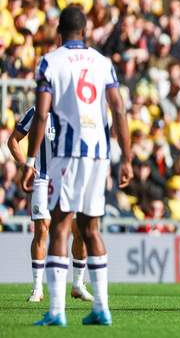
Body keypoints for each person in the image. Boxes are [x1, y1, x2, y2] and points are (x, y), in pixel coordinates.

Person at [22, 7, 132, 326]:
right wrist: (125, 158)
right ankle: (101, 308)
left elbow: (42, 115)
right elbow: (119, 110)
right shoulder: (102, 62)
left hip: (68, 153)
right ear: (84, 31)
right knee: (90, 228)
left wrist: (31, 161)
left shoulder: (50, 61)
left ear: (59, 30)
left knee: (59, 226)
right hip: (99, 153)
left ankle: (56, 310)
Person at [8, 106, 93, 302]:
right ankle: (37, 288)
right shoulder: (38, 111)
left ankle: (78, 285)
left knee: (79, 230)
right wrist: (24, 164)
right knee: (42, 230)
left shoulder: (77, 110)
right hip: (43, 178)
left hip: (70, 179)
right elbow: (13, 139)